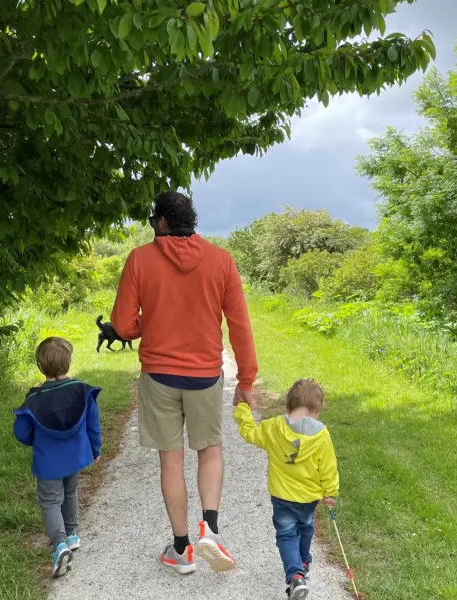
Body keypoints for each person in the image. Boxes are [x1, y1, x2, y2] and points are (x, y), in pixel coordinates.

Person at [111, 190, 258, 574]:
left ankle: (181, 551)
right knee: (209, 450)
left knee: (171, 461)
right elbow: (240, 324)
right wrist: (247, 379)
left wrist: (149, 322)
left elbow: (124, 326)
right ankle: (210, 527)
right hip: (206, 376)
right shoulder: (221, 261)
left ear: (161, 221)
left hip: (159, 376)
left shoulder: (139, 260)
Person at [233, 379, 339, 600]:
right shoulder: (321, 435)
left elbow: (250, 432)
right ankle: (303, 561)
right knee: (306, 528)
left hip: (282, 497)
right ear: (315, 411)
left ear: (288, 408)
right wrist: (330, 492)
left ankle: (295, 576)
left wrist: (243, 408)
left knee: (287, 534)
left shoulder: (273, 427)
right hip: (309, 498)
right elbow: (328, 466)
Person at [13, 337, 102, 578]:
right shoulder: (81, 390)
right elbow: (93, 423)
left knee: (51, 501)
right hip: (75, 457)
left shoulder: (35, 400)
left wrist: (34, 439)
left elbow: (21, 432)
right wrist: (95, 449)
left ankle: (59, 544)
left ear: (40, 366)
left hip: (48, 462)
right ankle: (72, 534)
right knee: (70, 491)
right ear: (69, 363)